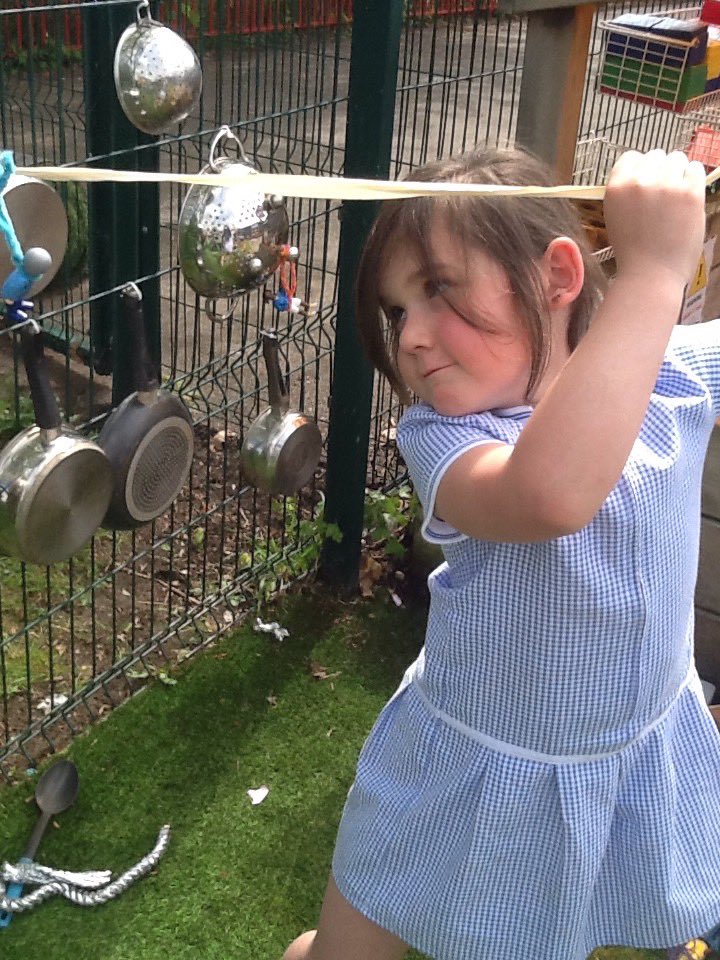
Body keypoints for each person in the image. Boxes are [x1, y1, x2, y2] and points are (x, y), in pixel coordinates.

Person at [283, 146, 720, 960]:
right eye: (397, 309)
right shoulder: (445, 437)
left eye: (437, 289)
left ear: (557, 277)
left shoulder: (674, 372)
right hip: (464, 762)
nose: (410, 336)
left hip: (626, 754)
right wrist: (658, 272)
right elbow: (550, 495)